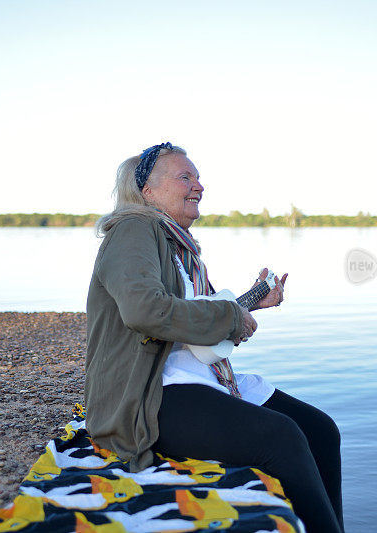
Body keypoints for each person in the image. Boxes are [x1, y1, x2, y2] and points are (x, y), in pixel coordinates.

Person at [84, 142, 344, 532]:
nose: (199, 186)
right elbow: (144, 310)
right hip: (150, 393)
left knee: (320, 430)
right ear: (147, 191)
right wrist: (229, 316)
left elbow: (190, 319)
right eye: (185, 176)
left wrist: (250, 304)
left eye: (199, 177)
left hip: (197, 380)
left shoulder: (178, 248)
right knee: (282, 437)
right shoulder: (134, 230)